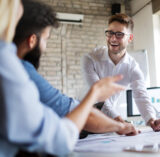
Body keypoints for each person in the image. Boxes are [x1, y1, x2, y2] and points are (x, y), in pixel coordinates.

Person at [0, 0, 133, 156]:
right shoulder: (13, 67)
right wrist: (96, 95)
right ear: (32, 40)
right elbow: (59, 138)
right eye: (46, 39)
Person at [82, 13, 160, 131]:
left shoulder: (132, 67)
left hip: (107, 124)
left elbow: (141, 96)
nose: (113, 38)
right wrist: (120, 122)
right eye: (110, 33)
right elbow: (98, 95)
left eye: (119, 34)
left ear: (130, 38)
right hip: (83, 119)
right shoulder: (90, 59)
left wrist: (152, 120)